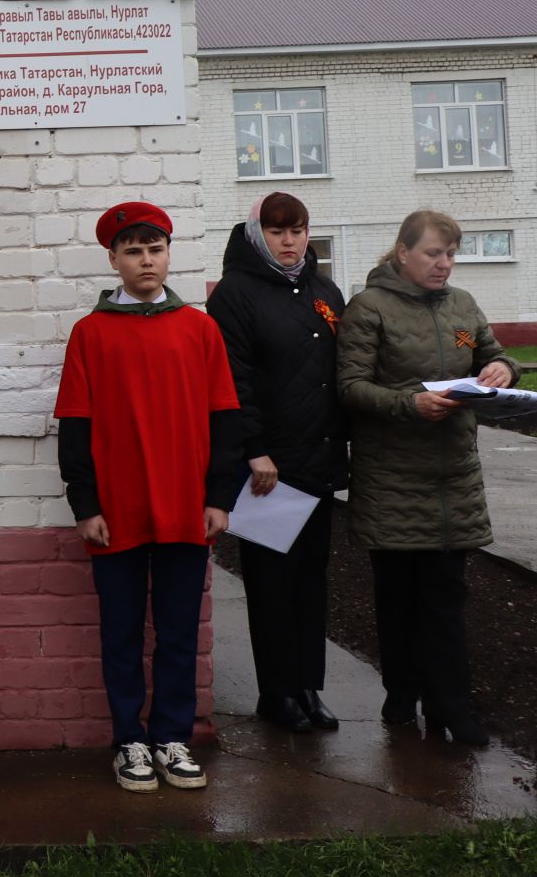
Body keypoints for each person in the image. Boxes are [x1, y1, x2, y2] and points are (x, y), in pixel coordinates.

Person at [55, 202, 242, 793]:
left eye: (154, 249)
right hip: (118, 511)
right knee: (122, 633)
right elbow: (75, 425)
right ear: (114, 259)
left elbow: (224, 418)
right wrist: (85, 504)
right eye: (132, 251)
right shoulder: (91, 333)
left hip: (187, 506)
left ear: (168, 254)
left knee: (179, 630)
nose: (145, 260)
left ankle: (171, 737)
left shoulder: (199, 328)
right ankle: (128, 740)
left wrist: (219, 496)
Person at [336, 209, 517, 746]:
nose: (445, 263)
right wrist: (408, 403)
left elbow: (491, 352)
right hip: (391, 478)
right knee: (397, 597)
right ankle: (400, 691)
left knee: (445, 596)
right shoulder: (369, 308)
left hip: (451, 477)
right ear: (403, 253)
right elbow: (349, 385)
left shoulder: (461, 304)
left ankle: (451, 707)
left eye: (451, 253)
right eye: (434, 253)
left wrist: (503, 369)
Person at [205, 192, 349, 734]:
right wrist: (253, 448)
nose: (289, 242)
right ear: (254, 234)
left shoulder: (323, 290)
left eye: (298, 230)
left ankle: (309, 687)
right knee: (271, 584)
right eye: (276, 231)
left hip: (317, 461)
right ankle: (277, 693)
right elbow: (231, 380)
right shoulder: (235, 295)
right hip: (269, 469)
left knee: (312, 580)